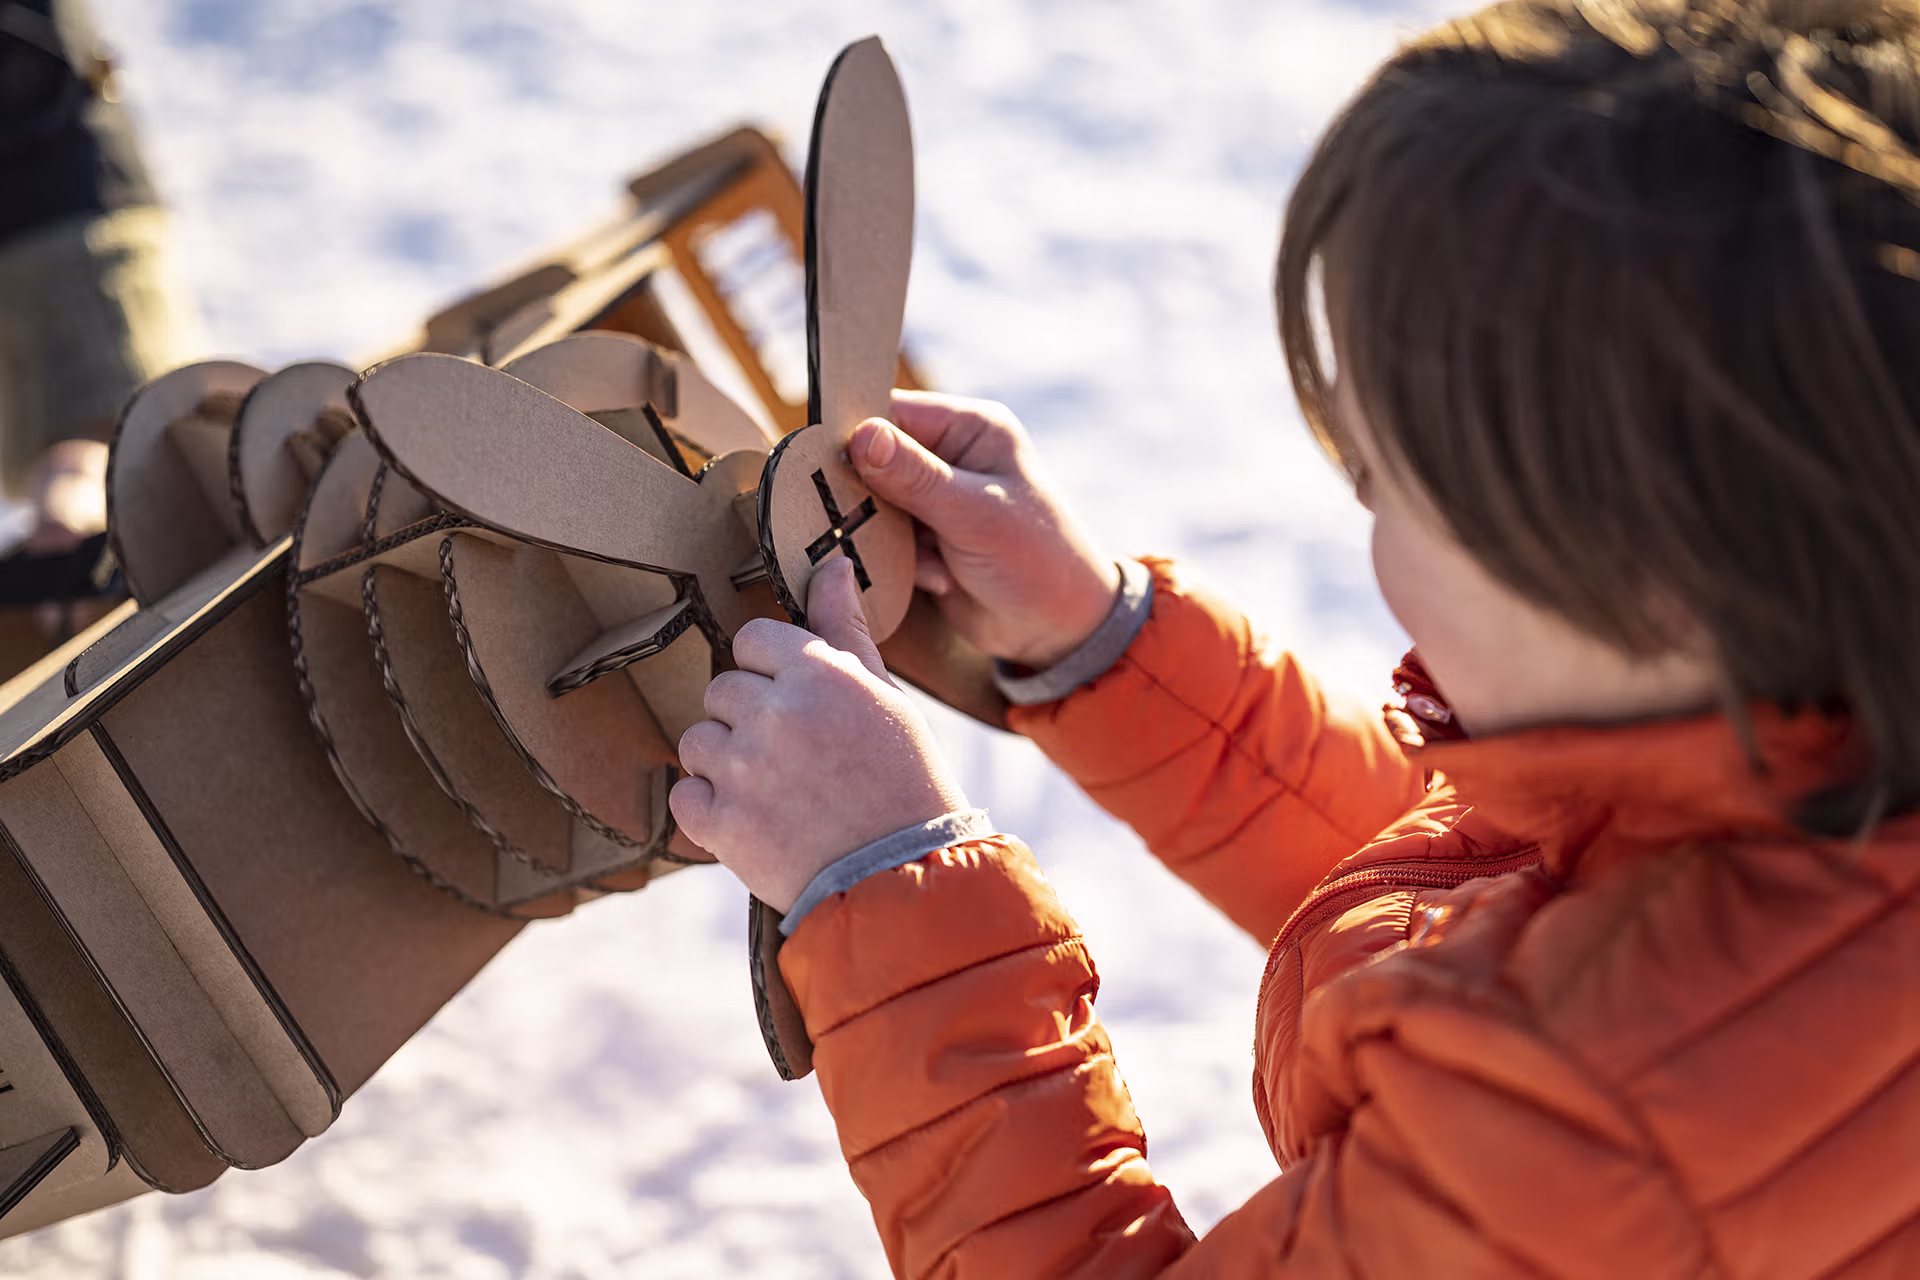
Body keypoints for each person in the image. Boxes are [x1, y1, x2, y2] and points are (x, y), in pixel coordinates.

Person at [669, 0, 1920, 1272]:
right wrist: (1102, 635)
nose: (1366, 524)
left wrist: (890, 884)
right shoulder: (1810, 750)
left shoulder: (1595, 1123)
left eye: (1384, 486)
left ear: (1656, 577)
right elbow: (1470, 885)